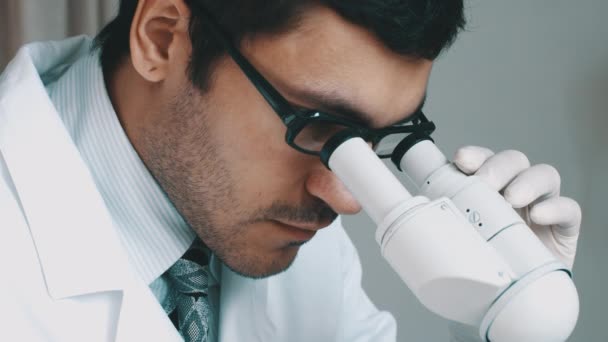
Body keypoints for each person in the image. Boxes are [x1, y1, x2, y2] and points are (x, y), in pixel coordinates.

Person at [0, 0, 582, 341]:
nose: (346, 198)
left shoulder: (279, 220)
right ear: (161, 39)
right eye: (317, 126)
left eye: (380, 141)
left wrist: (510, 311)